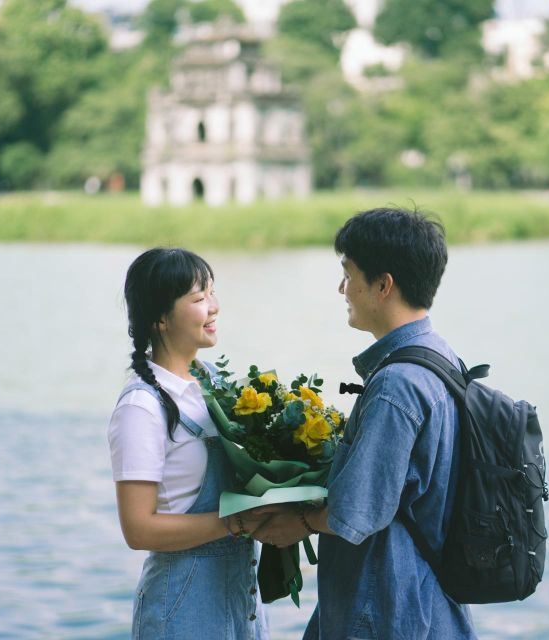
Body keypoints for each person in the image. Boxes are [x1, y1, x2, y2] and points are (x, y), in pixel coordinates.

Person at [253, 208, 477, 639]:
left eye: (348, 273)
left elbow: (356, 511)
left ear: (382, 285)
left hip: (387, 610)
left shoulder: (397, 384)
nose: (342, 288)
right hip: (431, 603)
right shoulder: (443, 357)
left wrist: (292, 522)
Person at [107, 247, 270, 640]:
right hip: (182, 604)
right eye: (198, 299)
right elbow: (138, 529)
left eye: (212, 293)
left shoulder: (215, 381)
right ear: (161, 318)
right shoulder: (142, 406)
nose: (213, 307)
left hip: (241, 598)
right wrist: (235, 522)